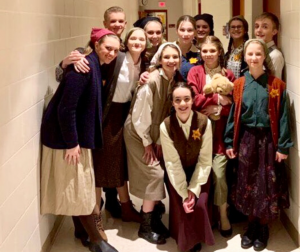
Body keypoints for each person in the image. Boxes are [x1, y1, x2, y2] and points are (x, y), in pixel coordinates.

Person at [40, 28, 120, 252]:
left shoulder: (93, 64)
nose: (112, 53)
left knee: (79, 186)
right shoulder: (83, 68)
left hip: (75, 136)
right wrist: (72, 143)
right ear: (96, 46)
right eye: (107, 48)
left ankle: (80, 231)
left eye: (115, 49)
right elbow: (66, 109)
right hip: (67, 139)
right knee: (80, 190)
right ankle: (96, 241)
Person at [224, 39, 293, 251]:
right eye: (250, 54)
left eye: (258, 54)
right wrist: (229, 141)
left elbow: (283, 117)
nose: (254, 58)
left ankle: (263, 226)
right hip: (246, 140)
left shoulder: (276, 85)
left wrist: (282, 146)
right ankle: (251, 224)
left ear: (264, 57)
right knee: (247, 181)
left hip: (268, 141)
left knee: (266, 182)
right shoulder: (238, 84)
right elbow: (233, 116)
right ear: (244, 57)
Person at [124, 42, 182, 245]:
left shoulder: (172, 78)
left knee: (159, 171)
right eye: (167, 57)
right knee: (154, 173)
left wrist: (157, 139)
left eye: (175, 57)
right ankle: (145, 226)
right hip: (138, 133)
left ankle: (154, 216)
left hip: (152, 132)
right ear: (159, 59)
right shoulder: (151, 82)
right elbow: (140, 117)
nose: (171, 60)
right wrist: (148, 142)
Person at [92, 27, 147, 225]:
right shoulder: (117, 58)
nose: (138, 42)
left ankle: (126, 207)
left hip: (127, 115)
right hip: (108, 115)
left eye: (142, 39)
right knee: (102, 163)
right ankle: (95, 216)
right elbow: (92, 62)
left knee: (120, 162)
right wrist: (65, 64)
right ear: (127, 40)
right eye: (134, 38)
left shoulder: (145, 62)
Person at [187, 36, 235, 238]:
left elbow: (233, 104)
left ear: (219, 53)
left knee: (219, 174)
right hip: (198, 133)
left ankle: (223, 214)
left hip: (221, 134)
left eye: (212, 51)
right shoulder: (194, 71)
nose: (207, 55)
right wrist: (216, 99)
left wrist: (220, 108)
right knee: (199, 177)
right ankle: (201, 218)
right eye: (204, 51)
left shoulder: (229, 74)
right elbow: (192, 97)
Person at [160, 82, 215, 252]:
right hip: (177, 174)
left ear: (192, 101)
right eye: (178, 100)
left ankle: (199, 236)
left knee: (198, 204)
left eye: (186, 99)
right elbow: (171, 163)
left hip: (200, 172)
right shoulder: (166, 126)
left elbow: (205, 160)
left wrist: (194, 189)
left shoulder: (204, 122)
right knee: (184, 207)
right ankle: (185, 240)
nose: (182, 104)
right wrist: (184, 192)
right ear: (172, 103)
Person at [254, 12, 284, 79]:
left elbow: (275, 85)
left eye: (265, 27)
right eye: (256, 26)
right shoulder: (253, 52)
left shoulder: (275, 55)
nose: (259, 30)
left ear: (274, 31)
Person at [176, 15, 201, 82]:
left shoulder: (200, 54)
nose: (186, 34)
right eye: (182, 30)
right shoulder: (168, 50)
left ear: (195, 32)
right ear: (176, 31)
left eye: (190, 30)